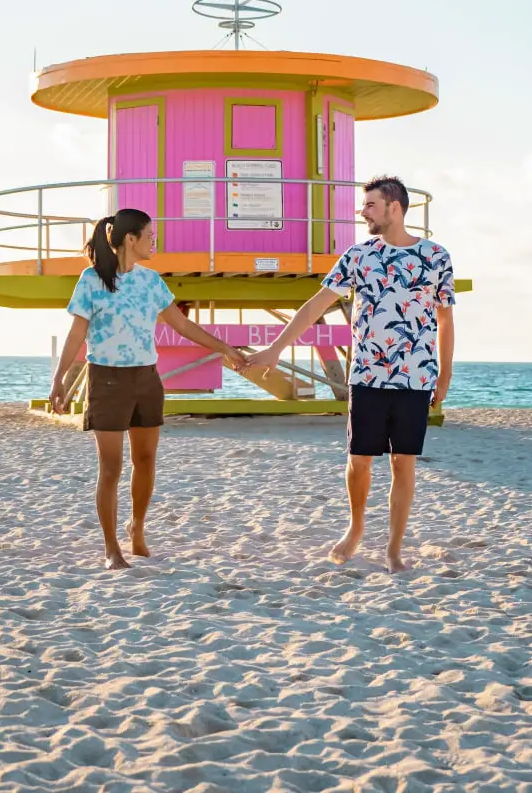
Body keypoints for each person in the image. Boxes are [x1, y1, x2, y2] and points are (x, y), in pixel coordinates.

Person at [249, 176, 455, 573]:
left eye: (371, 206)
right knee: (359, 460)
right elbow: (314, 306)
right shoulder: (359, 255)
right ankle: (356, 526)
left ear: (394, 207)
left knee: (403, 463)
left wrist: (444, 376)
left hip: (415, 378)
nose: (363, 213)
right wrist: (276, 348)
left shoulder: (436, 256)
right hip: (366, 376)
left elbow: (445, 320)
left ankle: (393, 548)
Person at [50, 208, 247, 570]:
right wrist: (59, 378)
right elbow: (76, 333)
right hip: (107, 380)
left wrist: (223, 348)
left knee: (145, 461)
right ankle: (112, 548)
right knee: (110, 468)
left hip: (146, 378)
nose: (154, 241)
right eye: (150, 236)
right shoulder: (91, 280)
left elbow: (182, 325)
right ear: (130, 239)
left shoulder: (152, 281)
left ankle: (136, 526)